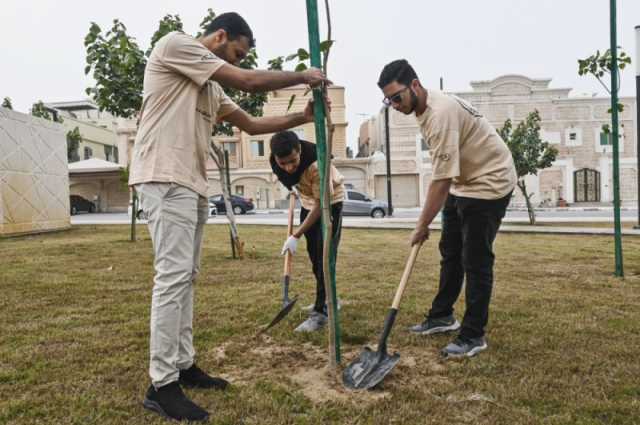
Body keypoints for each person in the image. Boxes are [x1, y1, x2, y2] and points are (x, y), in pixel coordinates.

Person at [129, 12, 329, 422]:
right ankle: (161, 384)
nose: (236, 62)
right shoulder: (176, 44)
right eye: (236, 52)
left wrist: (302, 118)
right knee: (171, 277)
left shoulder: (210, 87)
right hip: (163, 178)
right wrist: (302, 75)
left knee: (187, 276)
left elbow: (253, 124)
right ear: (220, 36)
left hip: (191, 184)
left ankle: (183, 365)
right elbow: (249, 81)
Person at [377, 59, 516, 359]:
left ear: (414, 85)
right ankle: (442, 316)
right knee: (450, 250)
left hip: (490, 180)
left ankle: (473, 335)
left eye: (397, 97)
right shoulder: (423, 109)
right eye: (388, 100)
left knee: (475, 259)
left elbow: (439, 181)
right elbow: (446, 175)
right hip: (463, 181)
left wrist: (421, 224)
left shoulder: (441, 114)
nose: (394, 105)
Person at [269, 130, 344, 332]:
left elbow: (322, 205)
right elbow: (287, 177)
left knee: (324, 258)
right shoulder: (275, 160)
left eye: (293, 161)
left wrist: (295, 235)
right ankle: (330, 298)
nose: (288, 167)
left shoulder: (317, 164)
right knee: (314, 256)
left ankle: (321, 312)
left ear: (300, 150)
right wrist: (293, 188)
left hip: (330, 204)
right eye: (283, 163)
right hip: (307, 202)